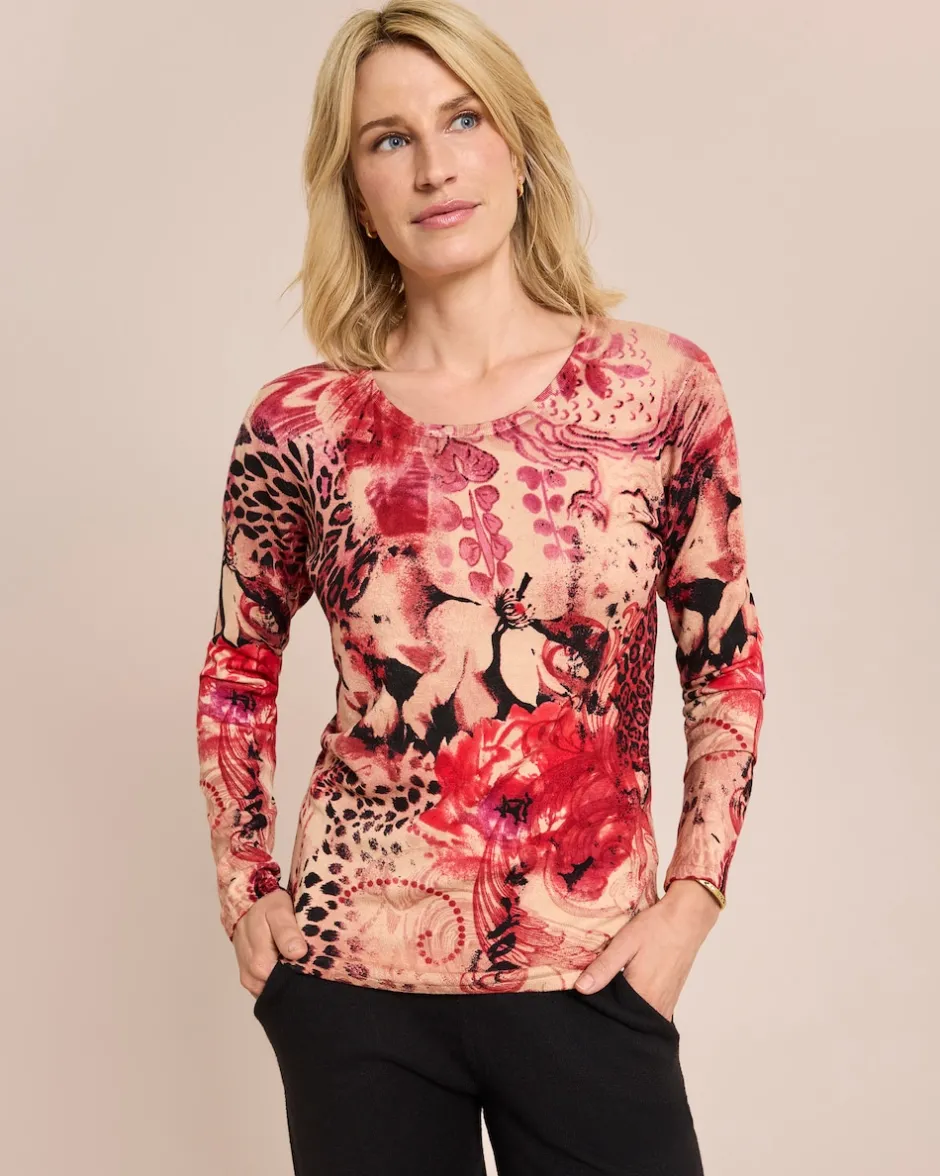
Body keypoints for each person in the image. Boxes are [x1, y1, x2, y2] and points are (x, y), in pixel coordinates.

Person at [194, 2, 766, 1173]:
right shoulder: (302, 423)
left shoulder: (658, 391)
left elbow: (726, 659)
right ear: (356, 193)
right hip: (353, 986)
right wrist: (246, 885)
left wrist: (693, 898)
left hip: (589, 971)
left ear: (518, 145)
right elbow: (238, 663)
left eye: (462, 119)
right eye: (388, 138)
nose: (434, 164)